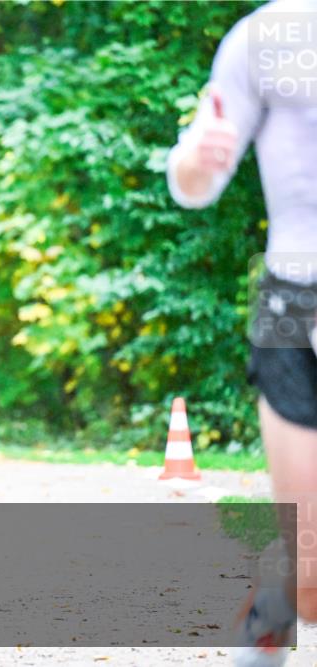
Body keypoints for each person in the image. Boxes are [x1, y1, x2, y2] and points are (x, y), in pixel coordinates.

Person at [165, 2, 316, 664]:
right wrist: (198, 155)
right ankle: (275, 604)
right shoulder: (264, 38)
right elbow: (193, 185)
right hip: (296, 307)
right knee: (311, 574)